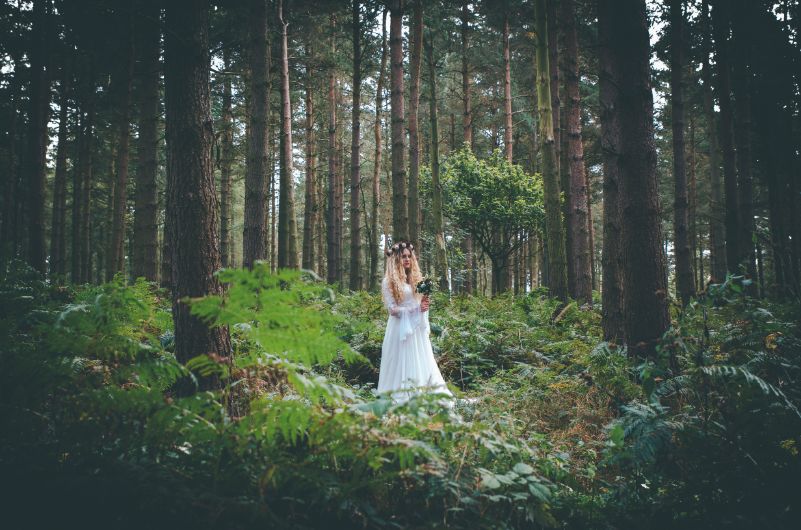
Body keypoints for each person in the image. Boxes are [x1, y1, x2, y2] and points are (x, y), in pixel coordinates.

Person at [377, 240, 453, 405]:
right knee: (399, 362)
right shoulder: (388, 281)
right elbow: (392, 310)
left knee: (420, 360)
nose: (407, 260)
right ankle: (401, 396)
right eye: (403, 256)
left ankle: (421, 394)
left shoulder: (414, 280)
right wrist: (414, 310)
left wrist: (424, 305)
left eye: (409, 256)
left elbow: (418, 304)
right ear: (396, 259)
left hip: (415, 329)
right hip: (399, 330)